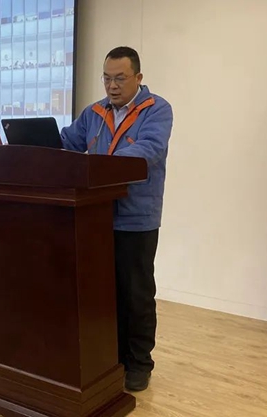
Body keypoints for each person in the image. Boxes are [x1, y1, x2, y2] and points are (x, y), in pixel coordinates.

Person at [60, 46, 173, 392]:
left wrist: (101, 166)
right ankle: (110, 358)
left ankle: (139, 363)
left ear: (138, 78)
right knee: (102, 294)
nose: (112, 86)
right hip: (96, 217)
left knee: (136, 295)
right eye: (107, 78)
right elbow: (68, 142)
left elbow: (149, 150)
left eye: (120, 78)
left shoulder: (157, 110)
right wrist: (35, 145)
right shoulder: (94, 112)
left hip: (136, 219)